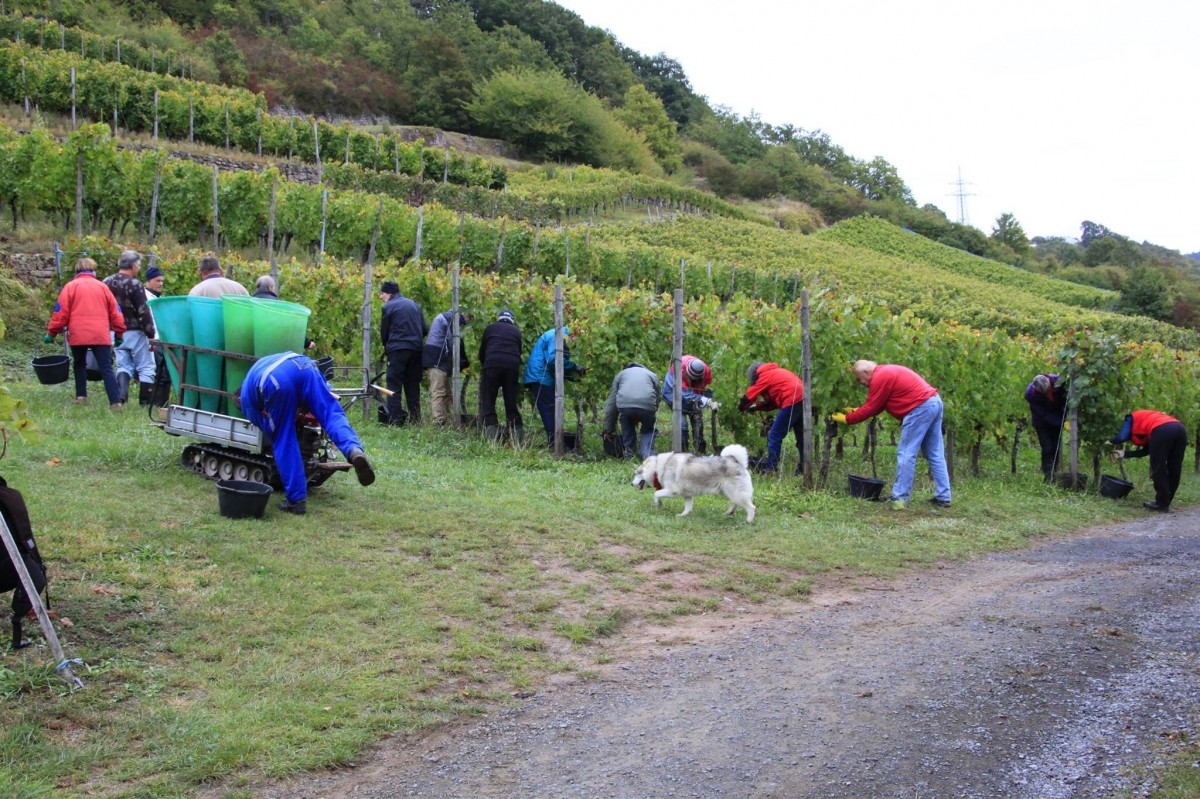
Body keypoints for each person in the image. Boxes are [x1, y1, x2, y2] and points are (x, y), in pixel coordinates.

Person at [238, 352, 375, 515]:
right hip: (305, 366)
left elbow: (269, 429)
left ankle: (296, 501)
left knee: (283, 438)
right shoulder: (257, 369)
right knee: (331, 413)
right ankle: (354, 450)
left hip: (276, 379)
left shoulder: (245, 399)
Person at [832, 360, 951, 508]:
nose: (860, 383)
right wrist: (855, 411)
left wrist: (848, 419)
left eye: (858, 378)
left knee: (906, 453)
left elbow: (871, 407)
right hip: (933, 402)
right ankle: (943, 497)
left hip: (919, 408)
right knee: (935, 453)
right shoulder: (886, 372)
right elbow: (878, 405)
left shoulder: (879, 377)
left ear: (866, 372)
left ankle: (900, 498)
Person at [45, 257, 126, 410]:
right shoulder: (103, 287)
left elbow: (60, 313)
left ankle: (81, 397)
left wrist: (51, 333)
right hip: (100, 334)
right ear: (93, 271)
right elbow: (116, 312)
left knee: (79, 364)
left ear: (77, 271)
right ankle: (115, 403)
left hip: (78, 334)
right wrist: (119, 334)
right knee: (106, 368)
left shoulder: (70, 287)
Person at [103, 249, 157, 406]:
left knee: (123, 364)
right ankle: (145, 403)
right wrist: (151, 334)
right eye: (138, 265)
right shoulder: (135, 284)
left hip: (114, 331)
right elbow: (143, 311)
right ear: (133, 266)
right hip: (135, 331)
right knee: (146, 367)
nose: (138, 268)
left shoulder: (106, 282)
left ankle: (121, 394)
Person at [1109, 410, 1187, 512]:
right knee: (1175, 467)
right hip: (1180, 429)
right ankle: (1166, 502)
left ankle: (1161, 503)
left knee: (1158, 467)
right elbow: (1145, 451)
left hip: (1162, 430)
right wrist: (1123, 454)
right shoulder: (1149, 421)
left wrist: (1109, 441)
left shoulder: (1130, 417)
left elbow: (1121, 437)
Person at [736, 362, 802, 473]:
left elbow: (749, 396)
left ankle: (771, 469)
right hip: (803, 398)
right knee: (802, 438)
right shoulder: (775, 372)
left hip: (791, 399)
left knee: (774, 435)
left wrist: (741, 407)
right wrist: (758, 406)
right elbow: (774, 402)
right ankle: (803, 469)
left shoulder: (764, 376)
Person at [522, 326, 584, 444]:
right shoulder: (557, 335)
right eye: (578, 338)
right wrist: (574, 367)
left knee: (552, 410)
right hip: (541, 377)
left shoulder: (562, 338)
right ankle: (554, 444)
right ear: (573, 333)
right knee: (549, 411)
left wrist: (573, 376)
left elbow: (559, 366)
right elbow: (553, 360)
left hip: (543, 377)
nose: (576, 342)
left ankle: (556, 442)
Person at [379, 281, 427, 426]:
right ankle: (416, 419)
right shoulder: (414, 305)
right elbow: (424, 329)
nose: (381, 297)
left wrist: (387, 346)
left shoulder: (388, 306)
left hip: (397, 349)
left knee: (393, 385)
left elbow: (384, 332)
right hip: (416, 349)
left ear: (389, 293)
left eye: (382, 293)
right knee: (412, 384)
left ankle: (395, 420)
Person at [477, 309, 523, 442]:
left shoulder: (490, 328)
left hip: (492, 364)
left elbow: (482, 352)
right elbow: (518, 352)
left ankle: (491, 436)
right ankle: (516, 438)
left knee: (488, 400)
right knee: (511, 401)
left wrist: (486, 365)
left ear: (498, 318)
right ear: (512, 320)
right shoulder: (517, 332)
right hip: (512, 367)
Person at [602, 362, 660, 459]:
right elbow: (657, 397)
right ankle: (647, 454)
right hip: (647, 405)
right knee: (648, 430)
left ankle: (630, 455)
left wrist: (608, 429)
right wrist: (652, 411)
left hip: (625, 405)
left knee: (627, 425)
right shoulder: (652, 375)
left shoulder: (620, 375)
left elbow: (611, 405)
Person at [423, 309, 470, 426]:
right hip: (437, 358)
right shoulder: (450, 318)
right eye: (469, 317)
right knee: (438, 390)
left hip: (444, 360)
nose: (469, 321)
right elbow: (455, 342)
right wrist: (462, 361)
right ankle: (439, 421)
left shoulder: (451, 318)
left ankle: (448, 420)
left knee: (449, 392)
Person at [661, 355, 714, 452]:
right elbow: (685, 393)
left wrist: (709, 400)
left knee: (698, 420)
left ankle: (700, 450)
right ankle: (682, 451)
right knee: (682, 424)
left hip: (691, 391)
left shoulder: (706, 371)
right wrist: (704, 400)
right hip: (673, 392)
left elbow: (707, 390)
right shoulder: (679, 369)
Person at [1025, 373, 1068, 482]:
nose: (1047, 394)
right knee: (1047, 448)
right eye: (1044, 393)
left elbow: (1066, 398)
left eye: (1048, 390)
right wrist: (1060, 422)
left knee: (1056, 447)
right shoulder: (1031, 395)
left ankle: (1053, 473)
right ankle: (1048, 475)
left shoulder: (1059, 381)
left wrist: (1065, 412)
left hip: (1057, 417)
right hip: (1041, 423)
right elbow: (1042, 415)